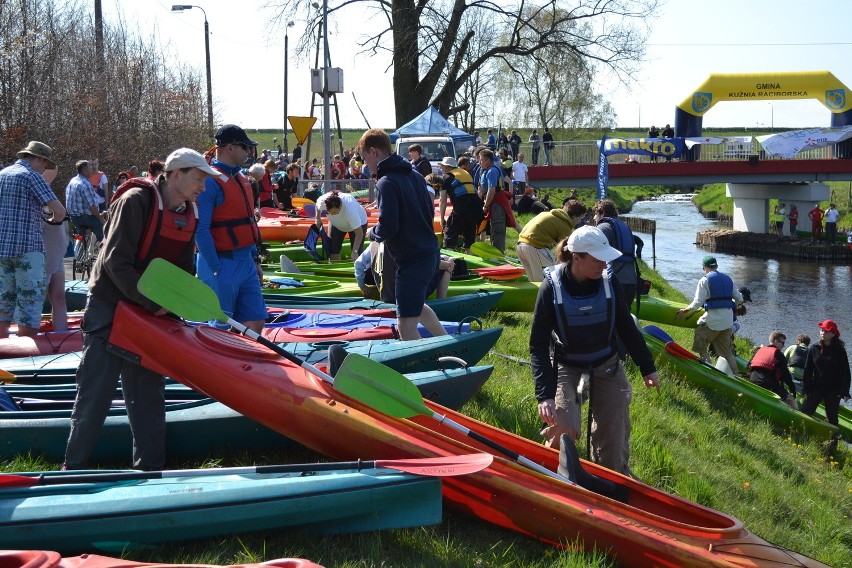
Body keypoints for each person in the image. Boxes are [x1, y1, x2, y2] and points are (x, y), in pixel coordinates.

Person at [62, 147, 223, 471]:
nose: (203, 187)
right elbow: (115, 262)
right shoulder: (135, 201)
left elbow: (181, 273)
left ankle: (150, 472)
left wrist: (172, 310)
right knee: (96, 395)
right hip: (110, 306)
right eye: (198, 178)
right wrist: (154, 304)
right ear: (175, 174)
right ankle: (72, 468)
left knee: (148, 398)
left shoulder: (189, 212)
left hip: (149, 315)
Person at [531, 225, 659, 475]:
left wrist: (647, 367)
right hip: (566, 365)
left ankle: (612, 477)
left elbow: (626, 327)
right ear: (576, 257)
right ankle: (555, 474)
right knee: (564, 427)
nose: (604, 264)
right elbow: (537, 343)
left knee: (612, 434)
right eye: (597, 259)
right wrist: (544, 395)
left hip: (606, 364)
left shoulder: (609, 282)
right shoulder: (551, 288)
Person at [359, 128, 446, 341]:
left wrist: (373, 233)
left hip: (412, 260)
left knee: (405, 328)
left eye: (364, 158)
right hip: (430, 253)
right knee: (416, 306)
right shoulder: (416, 176)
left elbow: (388, 225)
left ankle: (431, 369)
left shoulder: (385, 182)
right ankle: (446, 343)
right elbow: (428, 211)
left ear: (373, 152)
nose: (365, 164)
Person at [195, 124, 267, 335]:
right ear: (229, 148)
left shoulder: (242, 179)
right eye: (245, 147)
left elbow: (248, 223)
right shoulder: (210, 182)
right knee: (221, 327)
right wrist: (216, 267)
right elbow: (201, 230)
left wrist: (255, 261)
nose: (248, 152)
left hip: (245, 261)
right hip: (220, 262)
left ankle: (246, 365)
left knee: (255, 322)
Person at [675, 256, 744, 373]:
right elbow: (739, 298)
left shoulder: (705, 280)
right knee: (727, 353)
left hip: (713, 322)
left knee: (701, 348)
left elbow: (697, 303)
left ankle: (709, 372)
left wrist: (685, 310)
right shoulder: (728, 279)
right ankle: (737, 377)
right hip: (727, 322)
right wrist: (731, 306)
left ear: (705, 267)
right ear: (716, 266)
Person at [799, 320, 850, 436]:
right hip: (816, 387)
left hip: (833, 390)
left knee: (832, 419)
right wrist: (806, 389)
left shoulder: (839, 350)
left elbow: (845, 372)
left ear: (833, 334)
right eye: (822, 330)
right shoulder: (814, 348)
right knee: (805, 411)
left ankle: (832, 443)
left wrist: (845, 391)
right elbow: (807, 370)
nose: (823, 333)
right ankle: (799, 433)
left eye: (826, 331)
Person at [516, 199, 586, 282]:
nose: (580, 221)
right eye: (580, 217)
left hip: (520, 245)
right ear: (574, 216)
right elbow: (566, 252)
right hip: (535, 247)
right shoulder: (565, 225)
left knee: (535, 282)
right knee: (551, 279)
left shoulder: (550, 214)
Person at [593, 199, 641, 308]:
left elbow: (593, 254)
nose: (594, 218)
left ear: (603, 212)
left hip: (613, 283)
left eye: (595, 214)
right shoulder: (624, 226)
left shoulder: (603, 227)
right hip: (631, 283)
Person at [40, 166, 70, 331]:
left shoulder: (46, 194)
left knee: (59, 296)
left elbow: (60, 214)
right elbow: (59, 213)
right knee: (38, 297)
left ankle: (61, 333)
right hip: (42, 254)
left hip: (56, 253)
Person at [478, 149, 519, 253]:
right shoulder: (487, 170)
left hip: (497, 204)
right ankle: (495, 253)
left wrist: (485, 206)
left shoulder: (492, 171)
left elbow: (491, 190)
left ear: (487, 160)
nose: (479, 162)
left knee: (498, 229)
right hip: (494, 203)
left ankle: (499, 254)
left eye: (481, 160)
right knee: (494, 230)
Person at [439, 157, 482, 251]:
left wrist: (442, 219)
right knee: (470, 232)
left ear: (448, 167)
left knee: (450, 232)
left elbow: (442, 200)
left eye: (442, 166)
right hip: (475, 205)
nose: (441, 168)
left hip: (461, 205)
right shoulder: (465, 173)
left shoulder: (445, 177)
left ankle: (449, 254)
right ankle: (470, 254)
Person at [747, 331, 798, 408]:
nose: (783, 346)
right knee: (791, 399)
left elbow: (748, 366)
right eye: (783, 343)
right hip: (767, 385)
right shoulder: (779, 355)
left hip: (752, 380)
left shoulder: (759, 350)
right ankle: (797, 417)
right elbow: (786, 376)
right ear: (776, 342)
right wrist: (793, 391)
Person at [315, 190, 368, 260]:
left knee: (357, 254)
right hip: (336, 225)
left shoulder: (350, 210)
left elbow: (359, 233)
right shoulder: (323, 202)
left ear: (340, 206)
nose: (332, 214)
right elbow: (317, 206)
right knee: (333, 253)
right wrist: (318, 218)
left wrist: (355, 252)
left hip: (358, 225)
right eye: (329, 212)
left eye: (334, 212)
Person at [66, 160, 106, 245]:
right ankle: (105, 250)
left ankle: (77, 245)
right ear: (84, 170)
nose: (92, 169)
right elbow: (92, 206)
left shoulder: (73, 181)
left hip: (73, 217)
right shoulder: (85, 184)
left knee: (79, 235)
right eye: (90, 168)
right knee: (103, 233)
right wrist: (100, 219)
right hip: (85, 218)